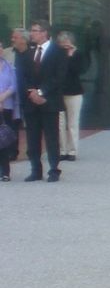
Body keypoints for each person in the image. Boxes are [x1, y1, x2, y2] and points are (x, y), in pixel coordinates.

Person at [19, 20, 66, 182]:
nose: (32, 34)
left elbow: (59, 77)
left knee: (51, 137)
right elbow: (23, 76)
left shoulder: (58, 52)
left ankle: (54, 169)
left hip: (49, 102)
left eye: (35, 30)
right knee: (32, 138)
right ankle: (35, 170)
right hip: (31, 102)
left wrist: (41, 92)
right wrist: (31, 92)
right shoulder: (28, 52)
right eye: (31, 30)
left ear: (45, 32)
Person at [57, 30, 88, 162]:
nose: (65, 45)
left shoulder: (79, 54)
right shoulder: (57, 55)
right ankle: (62, 150)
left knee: (73, 123)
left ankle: (72, 150)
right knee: (60, 123)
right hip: (59, 93)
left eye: (67, 42)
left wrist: (70, 56)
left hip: (74, 92)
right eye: (62, 43)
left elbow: (78, 70)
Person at [0, 39, 19, 181]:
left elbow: (14, 85)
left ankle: (5, 172)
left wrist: (2, 98)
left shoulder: (9, 66)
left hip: (6, 107)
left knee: (3, 140)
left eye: (0, 46)